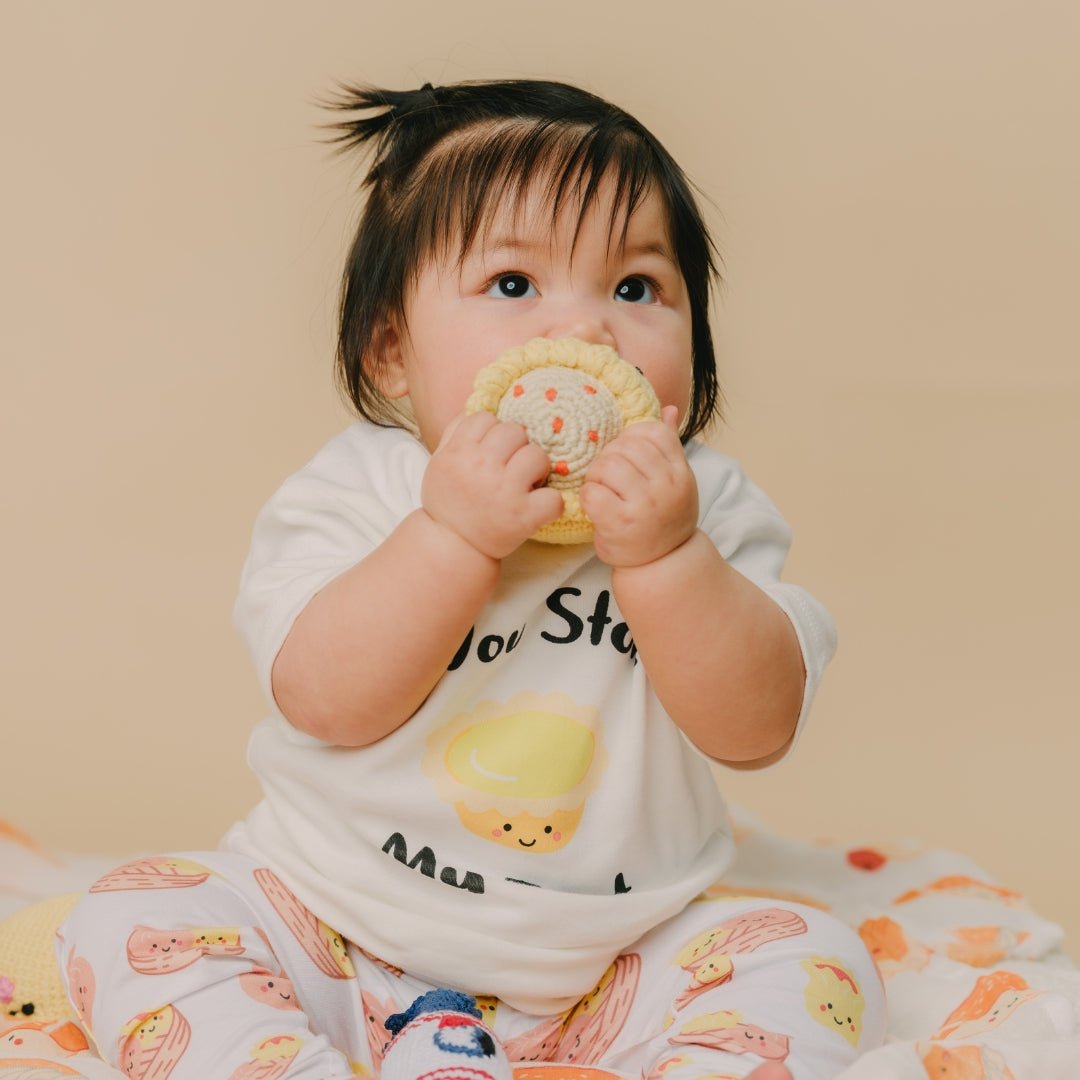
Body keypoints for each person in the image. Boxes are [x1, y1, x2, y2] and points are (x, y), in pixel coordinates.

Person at [58, 79, 885, 1080]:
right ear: (392, 351)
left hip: (616, 958)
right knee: (134, 916)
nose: (586, 334)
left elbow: (755, 729)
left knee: (812, 962)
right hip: (336, 923)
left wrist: (669, 560)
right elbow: (324, 700)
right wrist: (450, 537)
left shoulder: (702, 505)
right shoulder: (363, 489)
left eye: (635, 289)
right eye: (513, 283)